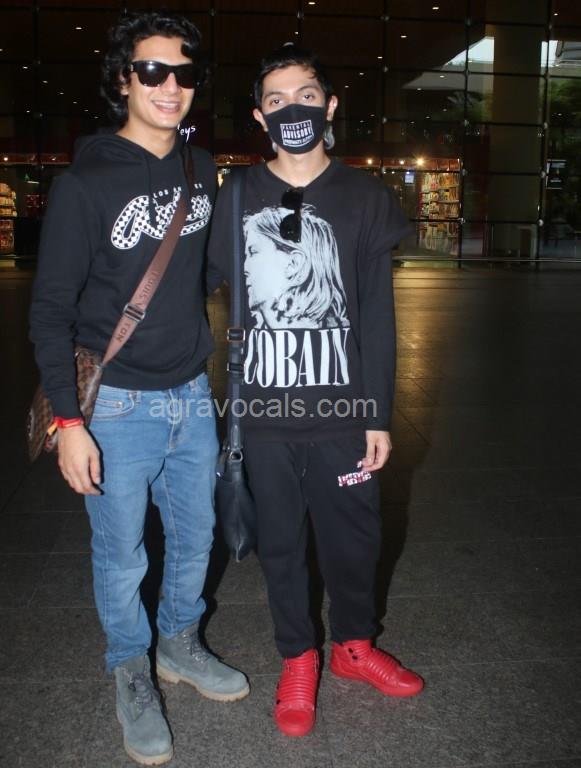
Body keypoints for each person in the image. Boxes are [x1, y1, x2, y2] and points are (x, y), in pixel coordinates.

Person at [29, 11, 248, 766]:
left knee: (196, 538)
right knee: (122, 555)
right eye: (153, 71)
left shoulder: (203, 168)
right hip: (116, 406)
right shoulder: (84, 183)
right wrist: (69, 423)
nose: (170, 86)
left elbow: (208, 267)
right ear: (123, 79)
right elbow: (49, 311)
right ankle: (130, 666)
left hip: (190, 393)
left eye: (184, 73)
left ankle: (178, 643)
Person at [207, 43, 424, 738]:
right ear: (258, 116)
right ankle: (297, 657)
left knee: (354, 540)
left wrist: (377, 413)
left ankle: (354, 647)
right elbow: (192, 288)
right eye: (275, 100)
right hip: (261, 414)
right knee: (280, 546)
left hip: (342, 412)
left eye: (305, 95)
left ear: (329, 107)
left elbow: (378, 315)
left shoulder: (366, 198)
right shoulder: (234, 195)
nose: (291, 108)